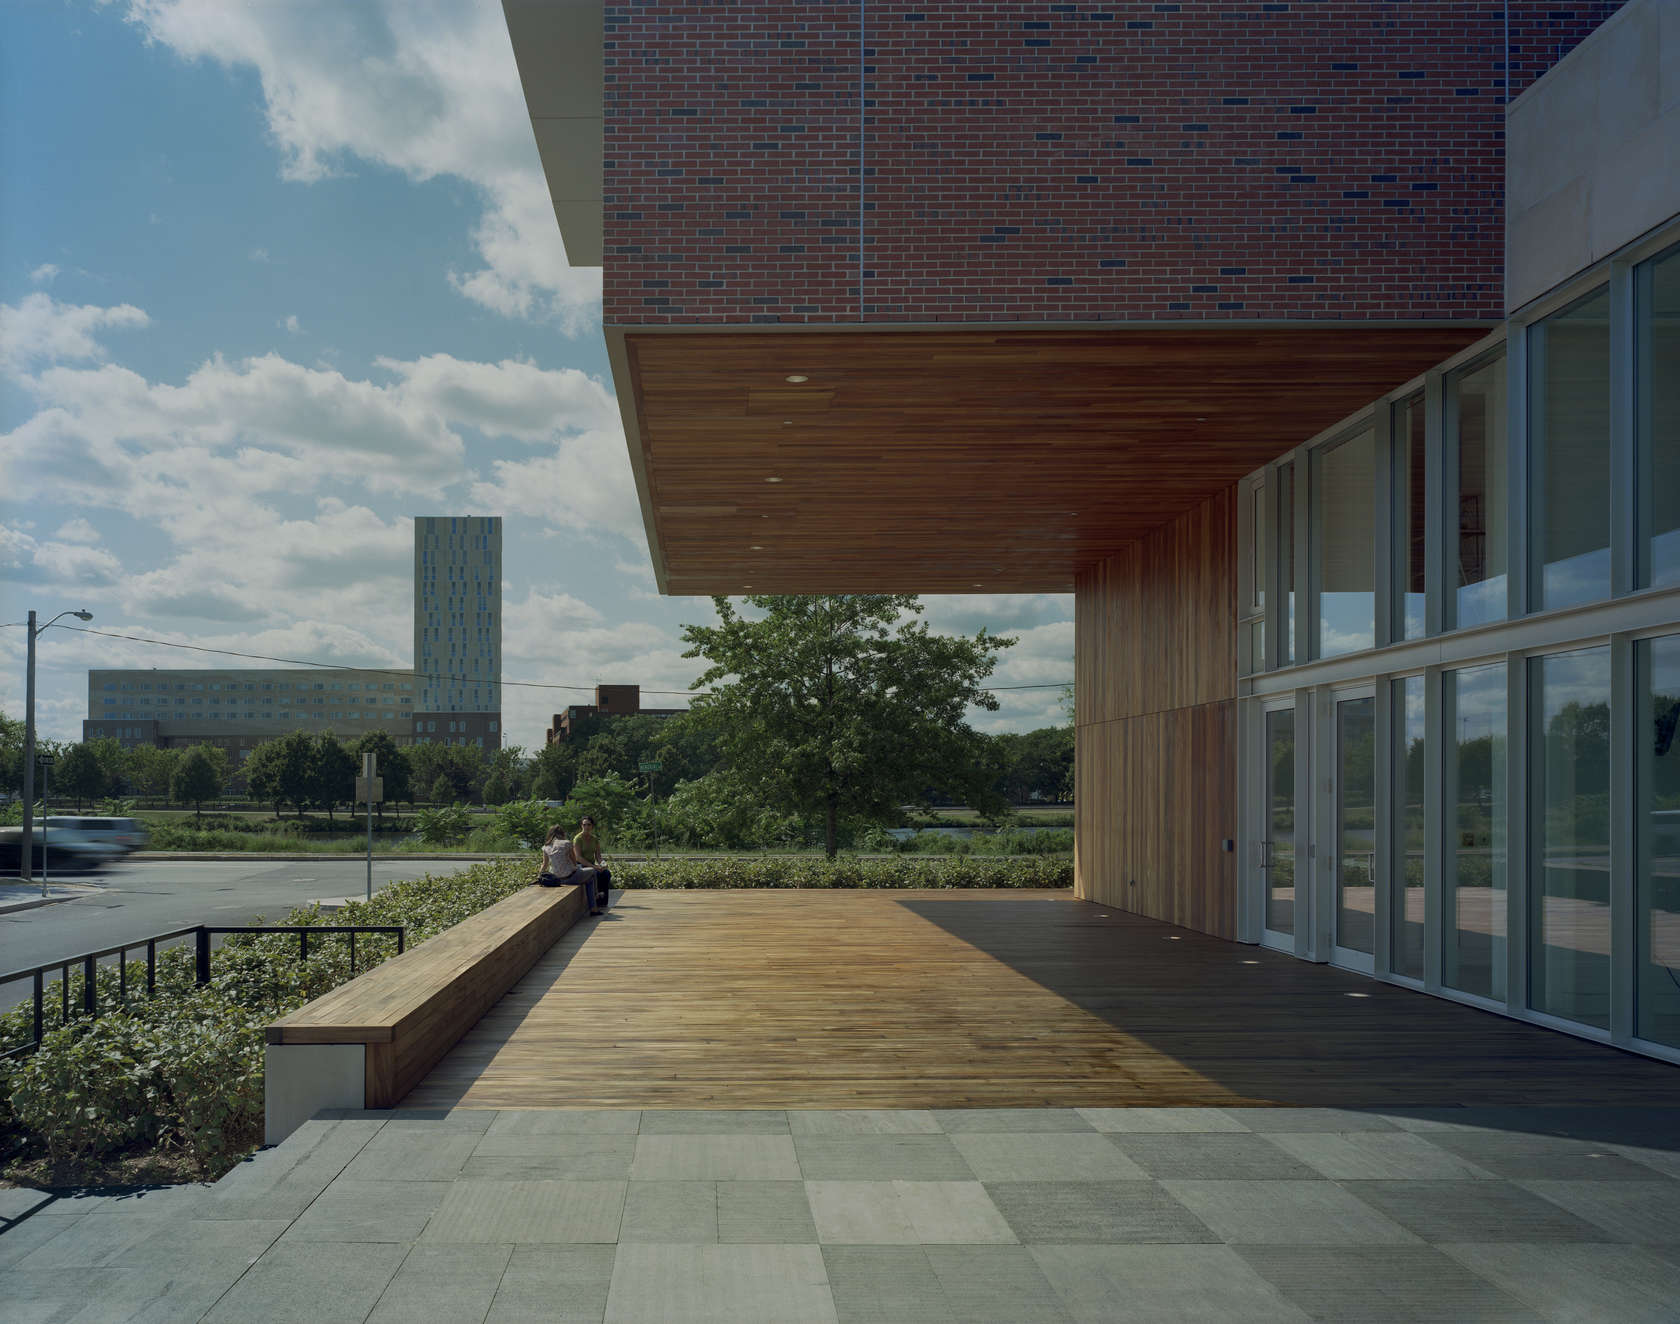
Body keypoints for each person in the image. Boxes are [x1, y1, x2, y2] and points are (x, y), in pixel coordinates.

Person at [539, 823, 604, 915]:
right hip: (570, 878)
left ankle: (594, 906)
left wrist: (539, 876)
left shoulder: (546, 847)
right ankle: (595, 898)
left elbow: (544, 865)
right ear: (562, 833)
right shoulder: (567, 843)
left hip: (557, 879)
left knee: (589, 879)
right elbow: (574, 862)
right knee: (592, 871)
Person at [573, 815, 611, 911]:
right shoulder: (577, 839)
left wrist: (603, 864)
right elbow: (578, 857)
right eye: (584, 824)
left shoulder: (595, 839)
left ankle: (602, 902)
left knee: (606, 873)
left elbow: (598, 857)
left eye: (588, 825)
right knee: (596, 872)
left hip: (592, 865)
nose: (586, 827)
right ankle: (595, 900)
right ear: (581, 826)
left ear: (592, 826)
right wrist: (594, 866)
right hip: (580, 866)